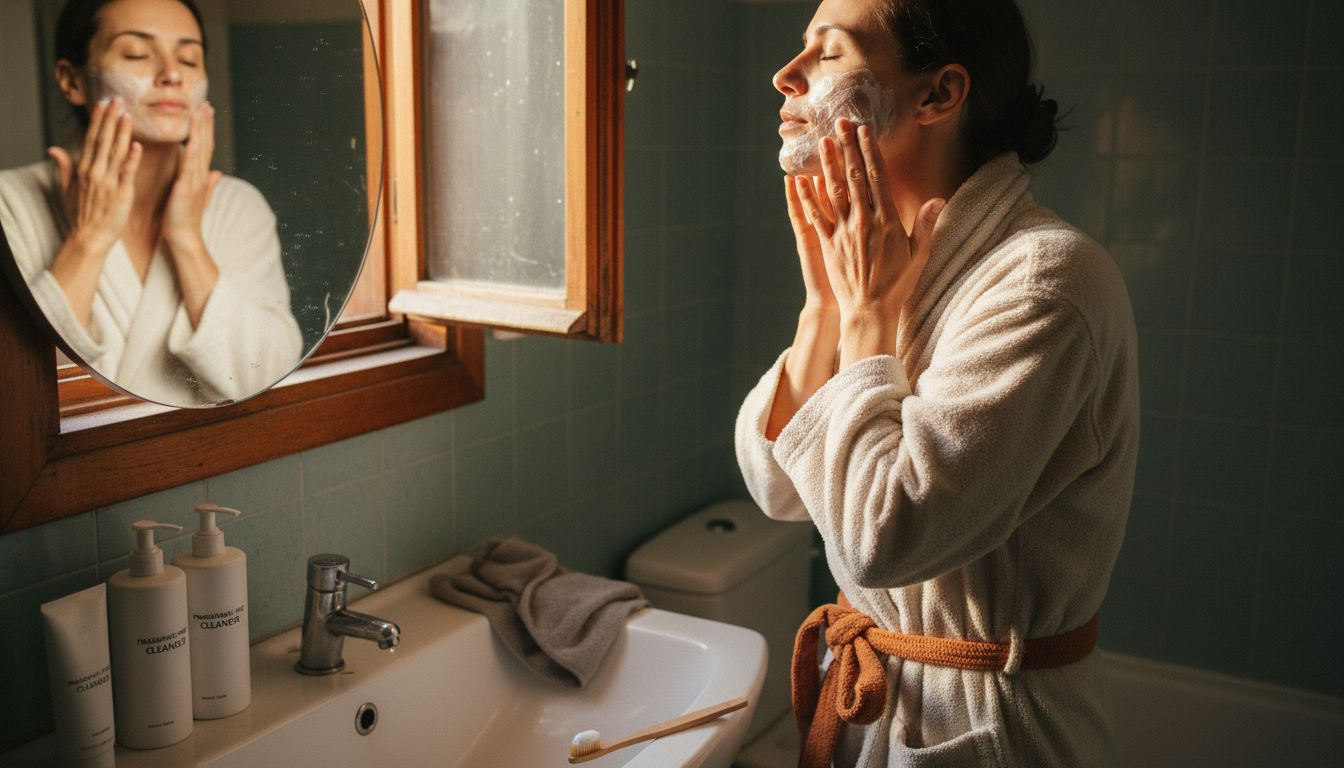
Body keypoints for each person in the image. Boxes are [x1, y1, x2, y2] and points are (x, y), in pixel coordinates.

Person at [734, 1, 1139, 766]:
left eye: (829, 54)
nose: (784, 76)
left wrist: (865, 319)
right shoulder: (882, 271)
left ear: (937, 95)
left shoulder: (1043, 282)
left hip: (994, 727)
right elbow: (776, 490)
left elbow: (881, 541)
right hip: (874, 697)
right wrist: (826, 307)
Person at [0, 0, 301, 406]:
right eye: (136, 54)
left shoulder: (237, 207)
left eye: (190, 59)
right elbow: (21, 406)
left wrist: (187, 241)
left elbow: (267, 375)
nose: (172, 74)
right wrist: (89, 239)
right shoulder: (10, 205)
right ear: (72, 80)